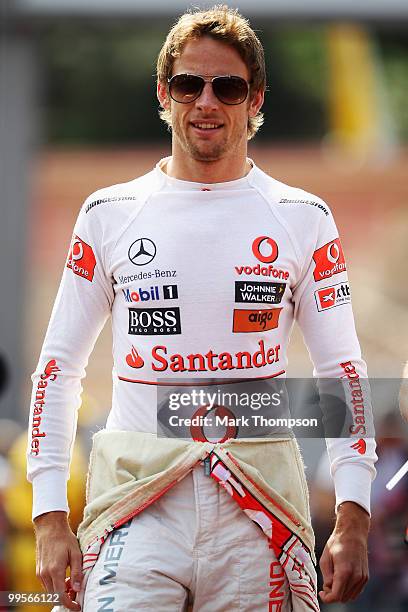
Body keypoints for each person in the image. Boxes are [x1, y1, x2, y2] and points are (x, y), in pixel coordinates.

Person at [28, 5, 377, 611]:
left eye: (229, 87)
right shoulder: (108, 214)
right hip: (136, 508)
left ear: (256, 98)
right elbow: (57, 370)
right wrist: (49, 515)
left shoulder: (304, 217)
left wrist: (354, 517)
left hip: (258, 509)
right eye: (189, 84)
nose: (207, 102)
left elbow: (343, 374)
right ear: (164, 93)